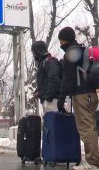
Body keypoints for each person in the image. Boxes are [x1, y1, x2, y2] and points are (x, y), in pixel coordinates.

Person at [57, 27, 99, 169]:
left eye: (61, 39)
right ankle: (93, 160)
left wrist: (61, 98)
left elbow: (68, 78)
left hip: (81, 95)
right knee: (91, 127)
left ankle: (92, 162)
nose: (60, 43)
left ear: (65, 39)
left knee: (86, 128)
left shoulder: (72, 52)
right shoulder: (81, 50)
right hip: (91, 94)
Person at [31, 41, 61, 114]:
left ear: (37, 51)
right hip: (48, 100)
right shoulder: (43, 62)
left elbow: (54, 80)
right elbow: (44, 81)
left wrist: (48, 98)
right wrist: (39, 91)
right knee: (49, 124)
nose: (33, 54)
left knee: (52, 124)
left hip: (52, 101)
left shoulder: (49, 61)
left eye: (33, 52)